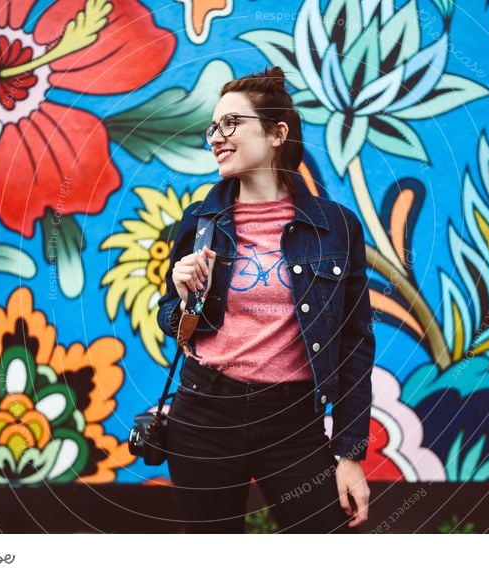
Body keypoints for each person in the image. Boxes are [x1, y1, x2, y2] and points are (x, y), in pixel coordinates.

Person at [156, 66, 375, 533]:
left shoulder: (336, 227)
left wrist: (350, 453)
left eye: (232, 123)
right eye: (213, 127)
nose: (217, 136)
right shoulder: (200, 222)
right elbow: (174, 325)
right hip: (204, 415)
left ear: (277, 133)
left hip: (294, 423)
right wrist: (180, 297)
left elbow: (356, 344)